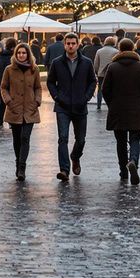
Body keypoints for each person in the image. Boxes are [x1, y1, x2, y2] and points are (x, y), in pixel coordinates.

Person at [101, 38, 140, 184]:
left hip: (117, 110)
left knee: (120, 142)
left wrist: (111, 103)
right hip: (137, 109)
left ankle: (123, 172)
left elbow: (105, 89)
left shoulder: (112, 67)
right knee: (135, 139)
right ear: (133, 49)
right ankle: (133, 161)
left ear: (119, 49)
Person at [47, 32, 97, 182]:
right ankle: (64, 169)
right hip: (62, 106)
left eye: (73, 43)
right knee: (62, 138)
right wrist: (57, 97)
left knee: (80, 140)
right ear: (64, 45)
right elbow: (50, 82)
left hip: (80, 105)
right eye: (68, 43)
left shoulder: (86, 62)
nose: (70, 46)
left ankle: (75, 156)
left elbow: (92, 81)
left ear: (78, 45)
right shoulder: (57, 62)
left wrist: (86, 97)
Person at [0, 42, 42, 181]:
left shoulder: (34, 69)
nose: (21, 55)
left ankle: (22, 167)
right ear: (15, 54)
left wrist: (37, 101)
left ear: (28, 54)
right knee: (17, 139)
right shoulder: (9, 69)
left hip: (30, 109)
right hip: (14, 108)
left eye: (24, 53)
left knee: (25, 138)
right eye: (19, 53)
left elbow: (38, 87)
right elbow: (3, 87)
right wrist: (8, 101)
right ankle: (18, 163)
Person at [0, 38, 15, 127]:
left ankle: (0, 119)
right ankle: (11, 122)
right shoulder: (14, 58)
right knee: (10, 102)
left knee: (0, 101)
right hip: (12, 83)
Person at [94, 36, 119, 110]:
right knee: (112, 89)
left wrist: (97, 72)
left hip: (101, 74)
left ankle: (99, 104)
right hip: (112, 74)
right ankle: (111, 104)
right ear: (114, 42)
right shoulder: (116, 52)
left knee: (100, 90)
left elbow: (96, 64)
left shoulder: (99, 51)